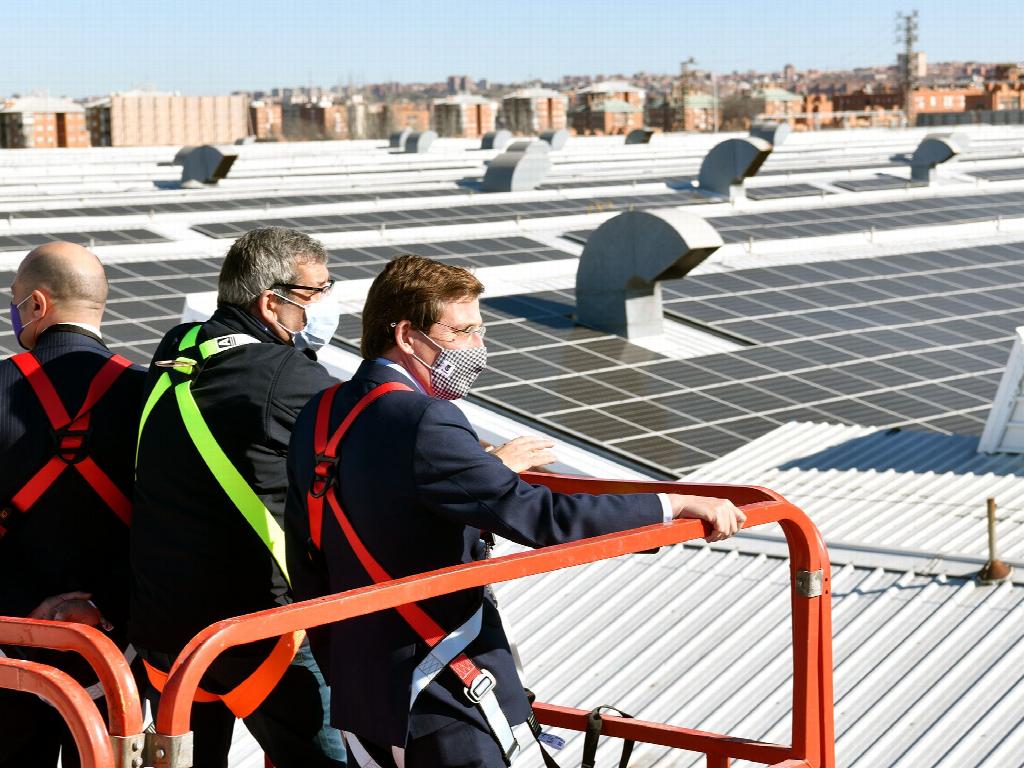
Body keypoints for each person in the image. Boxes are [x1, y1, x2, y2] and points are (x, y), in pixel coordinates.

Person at [284, 254, 746, 768]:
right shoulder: (428, 419)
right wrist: (671, 504)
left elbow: (309, 553)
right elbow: (541, 516)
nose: (478, 349)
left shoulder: (320, 412)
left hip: (361, 688)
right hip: (439, 685)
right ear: (409, 335)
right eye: (462, 332)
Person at [129, 227, 347, 768]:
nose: (326, 304)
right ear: (272, 303)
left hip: (167, 636)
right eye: (317, 291)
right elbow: (372, 439)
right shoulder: (289, 376)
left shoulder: (177, 345)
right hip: (259, 634)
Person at [0, 242, 145, 768]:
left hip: (11, 644)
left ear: (36, 305)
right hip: (115, 650)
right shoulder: (151, 396)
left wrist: (27, 610)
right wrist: (106, 608)